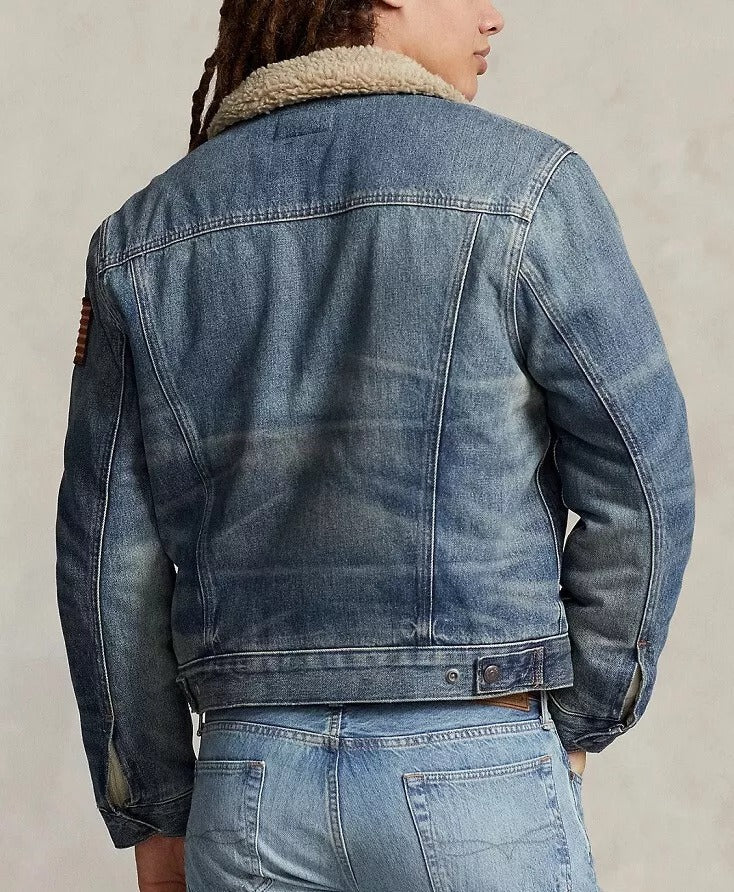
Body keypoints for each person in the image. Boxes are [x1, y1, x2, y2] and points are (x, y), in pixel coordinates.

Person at [55, 1, 696, 890]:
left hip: (251, 788)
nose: (493, 16)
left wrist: (155, 812)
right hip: (476, 761)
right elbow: (644, 484)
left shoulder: (144, 237)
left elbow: (106, 563)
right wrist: (582, 714)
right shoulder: (527, 190)